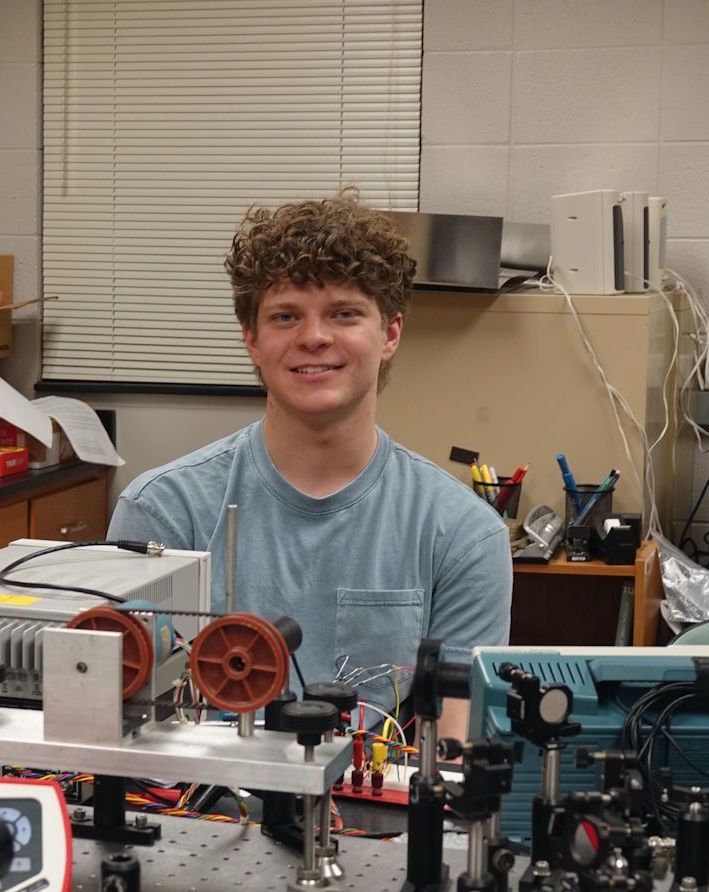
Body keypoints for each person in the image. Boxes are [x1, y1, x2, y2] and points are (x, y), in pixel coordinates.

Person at [107, 189, 512, 740]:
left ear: (390, 333)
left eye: (344, 313)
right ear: (251, 338)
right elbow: (117, 718)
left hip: (377, 820)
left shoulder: (463, 535)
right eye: (285, 316)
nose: (314, 337)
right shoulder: (162, 512)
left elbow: (454, 751)